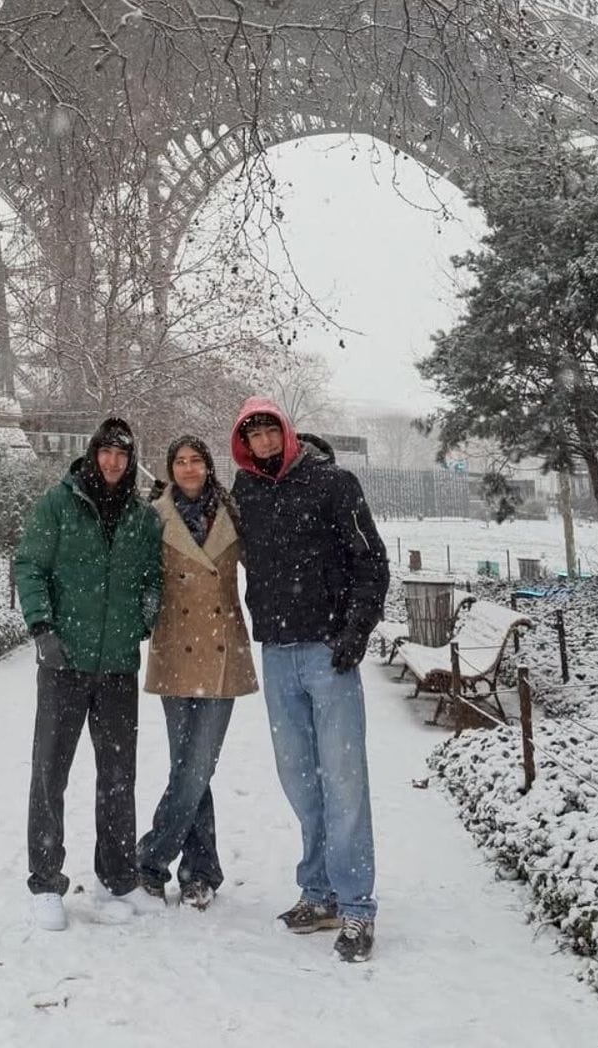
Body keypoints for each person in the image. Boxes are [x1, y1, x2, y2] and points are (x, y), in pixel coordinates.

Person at [230, 397, 389, 963]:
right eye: (252, 432)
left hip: (328, 654)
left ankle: (356, 905)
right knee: (300, 779)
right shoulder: (245, 493)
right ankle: (318, 892)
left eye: (269, 428)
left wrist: (354, 634)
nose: (263, 439)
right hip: (277, 653)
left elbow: (373, 562)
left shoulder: (335, 485)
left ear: (286, 432)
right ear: (243, 442)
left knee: (344, 782)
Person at [15, 415, 164, 931]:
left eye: (123, 454)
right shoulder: (60, 504)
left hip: (118, 666)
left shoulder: (142, 518)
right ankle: (45, 881)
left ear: (131, 459)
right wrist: (42, 628)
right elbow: (29, 564)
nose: (114, 462)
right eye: (106, 452)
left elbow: (152, 579)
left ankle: (117, 878)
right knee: (50, 773)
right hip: (64, 664)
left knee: (119, 777)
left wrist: (144, 617)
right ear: (93, 453)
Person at [138, 434, 257, 909]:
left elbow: (268, 562)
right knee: (189, 768)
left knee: (196, 764)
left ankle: (150, 857)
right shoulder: (152, 517)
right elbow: (138, 573)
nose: (188, 469)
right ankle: (199, 872)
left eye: (196, 461)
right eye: (179, 462)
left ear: (208, 467)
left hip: (222, 649)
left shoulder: (233, 514)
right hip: (175, 649)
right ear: (170, 470)